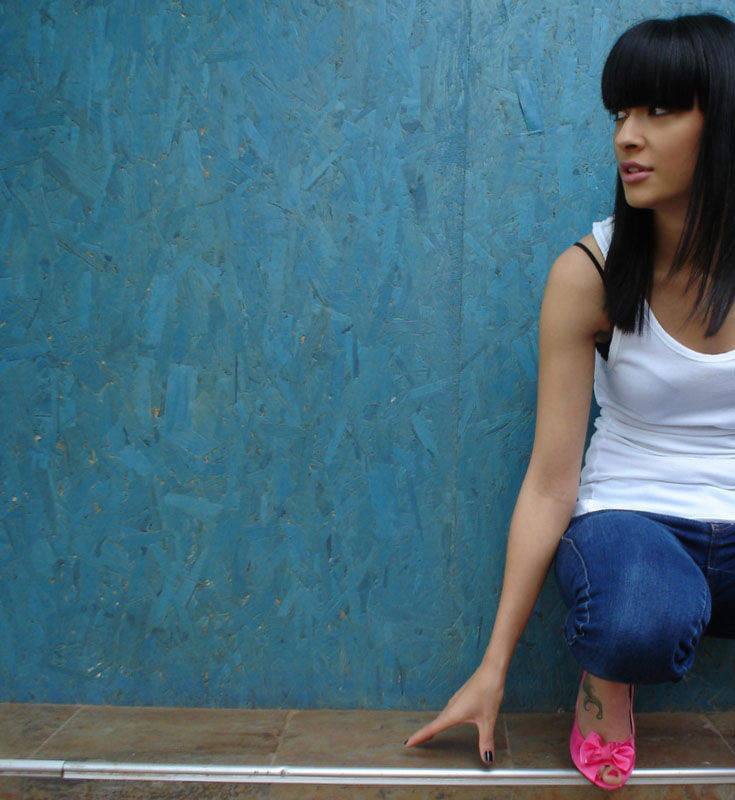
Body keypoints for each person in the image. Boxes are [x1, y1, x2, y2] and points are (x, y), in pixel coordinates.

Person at [405, 12, 735, 790]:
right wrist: (492, 667)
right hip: (632, 529)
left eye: (658, 110)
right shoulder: (587, 274)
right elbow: (551, 482)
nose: (626, 136)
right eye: (620, 112)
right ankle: (605, 679)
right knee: (639, 615)